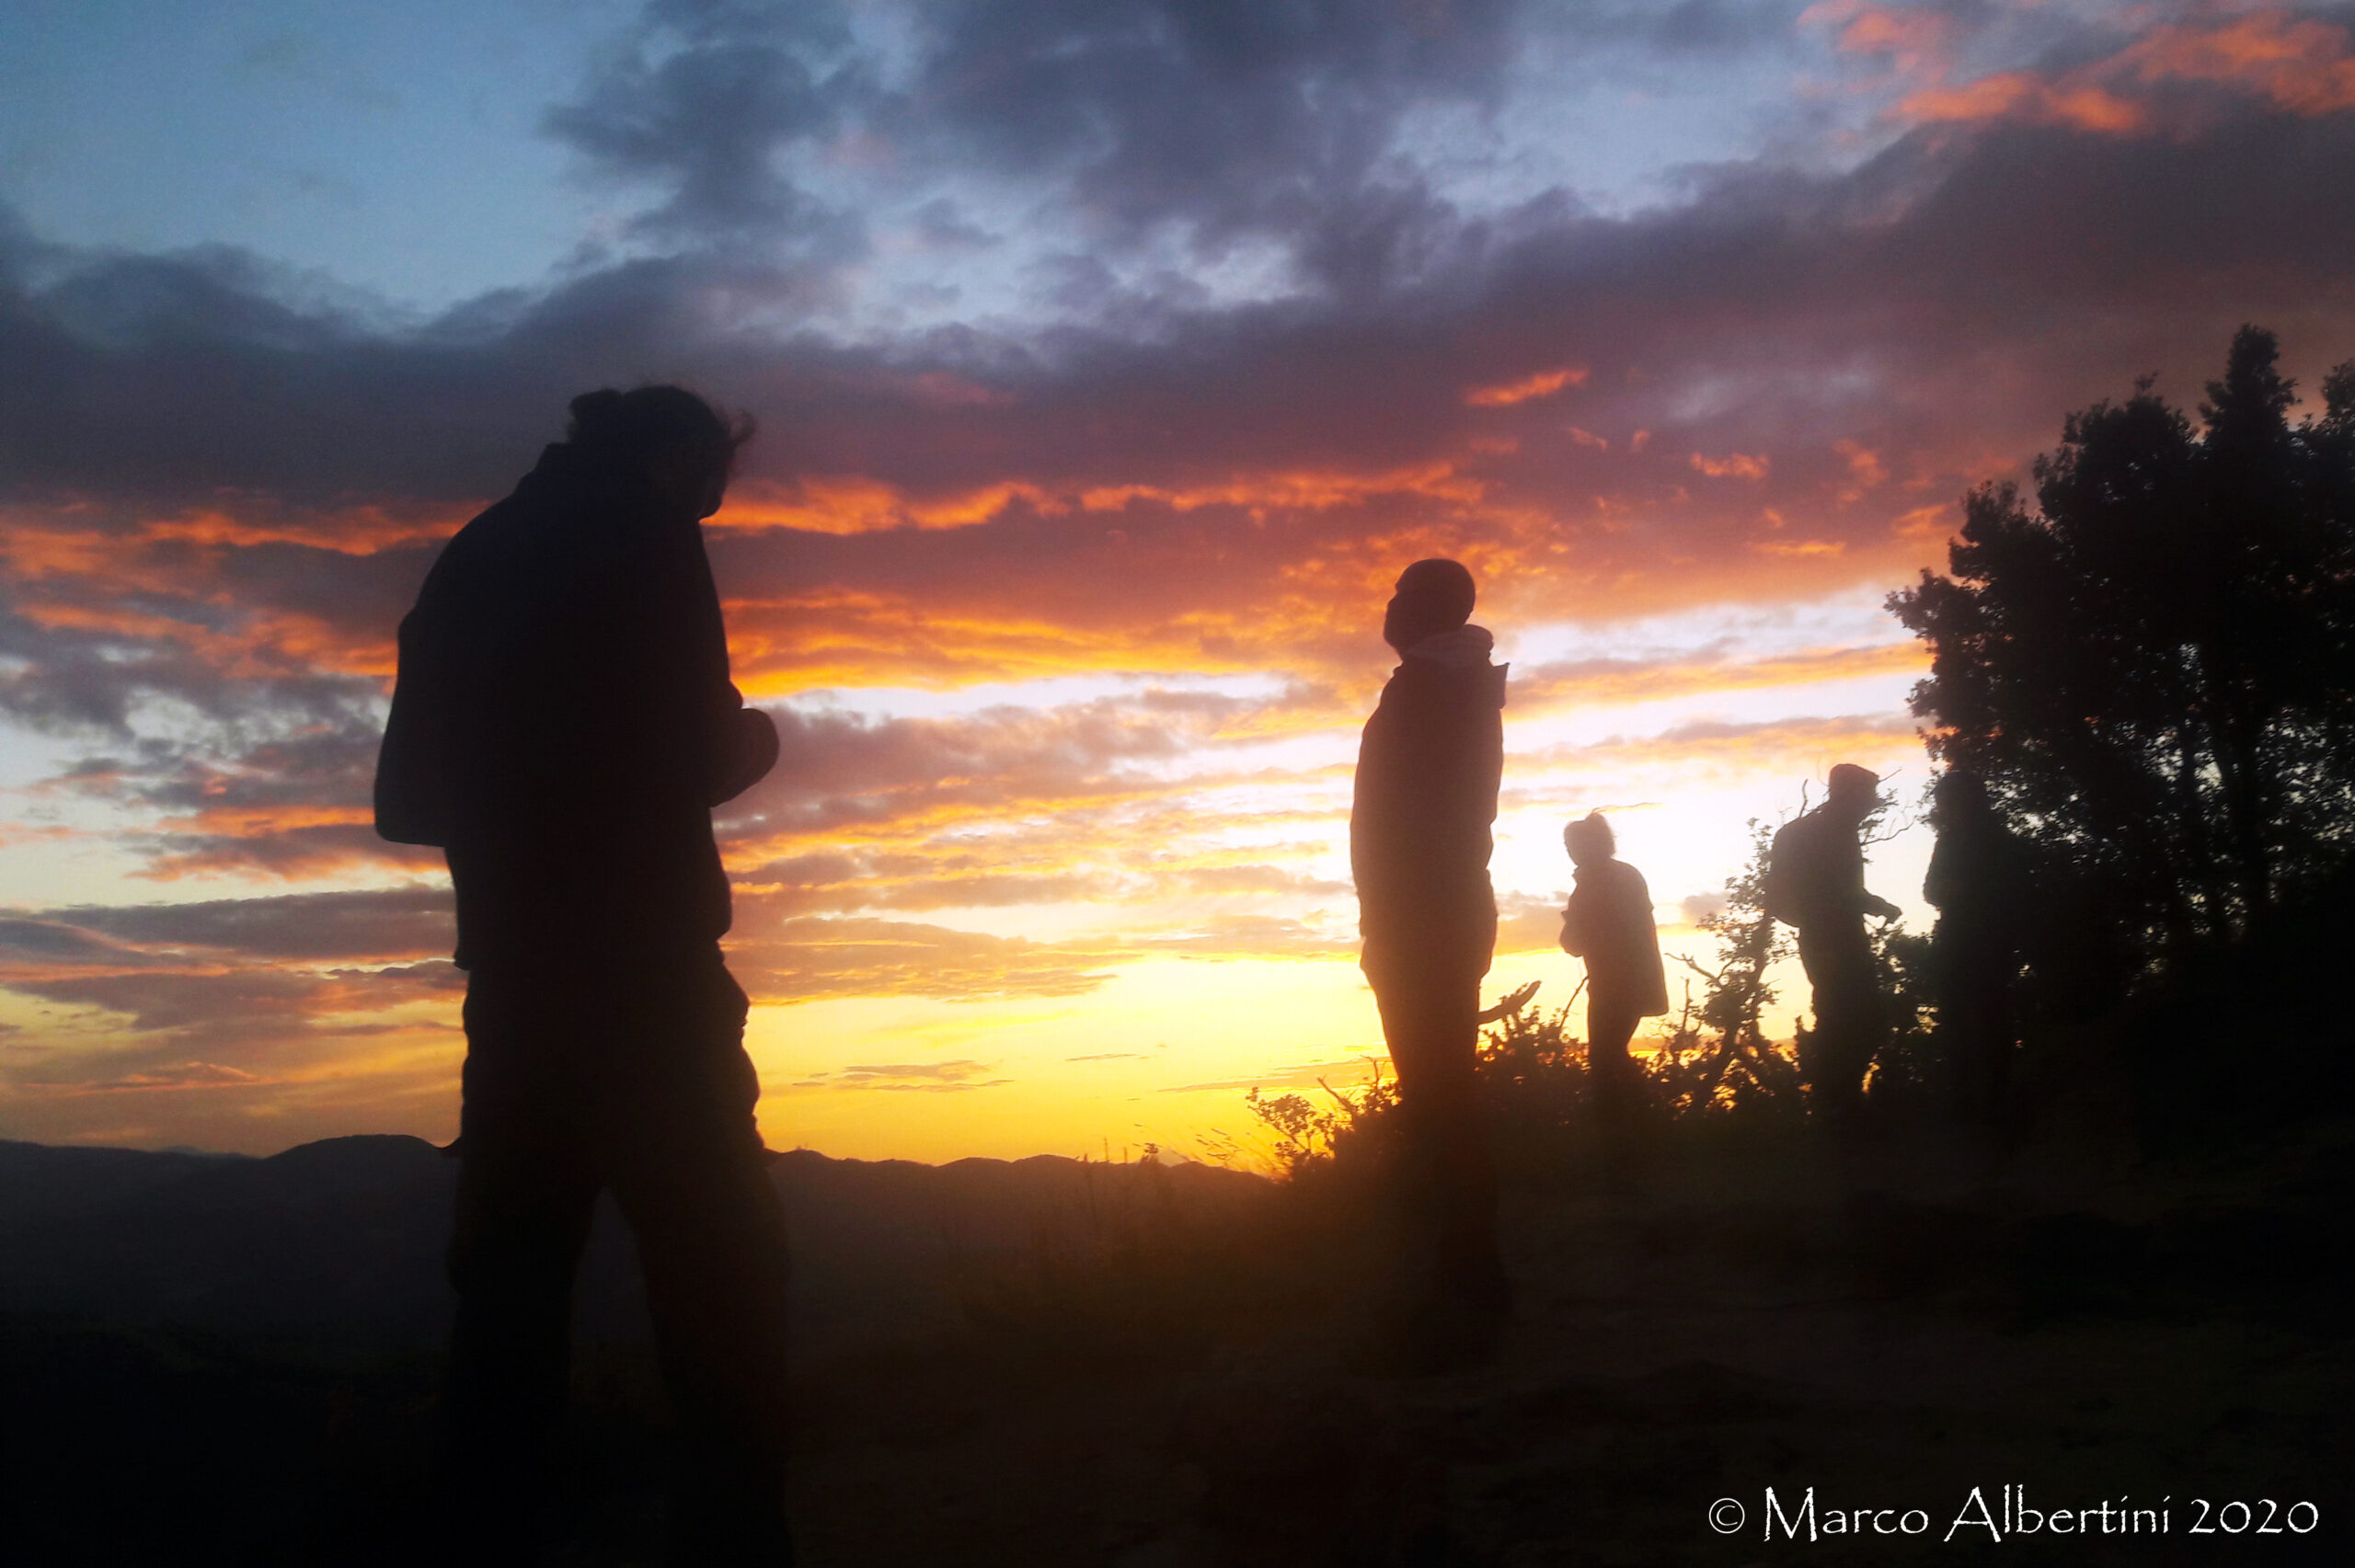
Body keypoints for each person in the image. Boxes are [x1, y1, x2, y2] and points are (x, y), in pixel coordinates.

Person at [376, 385, 794, 1563]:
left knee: (506, 1310)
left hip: (513, 988)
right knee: (723, 1273)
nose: (709, 517)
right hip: (650, 978)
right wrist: (759, 742)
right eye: (711, 493)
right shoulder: (644, 531)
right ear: (675, 461)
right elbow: (707, 748)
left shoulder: (468, 558)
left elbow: (401, 802)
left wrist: (523, 799)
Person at [1350, 557, 1510, 1347]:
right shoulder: (1452, 684)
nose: (1386, 607)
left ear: (1425, 610)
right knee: (1444, 1091)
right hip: (1434, 911)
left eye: (1400, 596)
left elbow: (1409, 821)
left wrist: (1388, 916)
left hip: (1425, 914)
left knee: (1440, 1095)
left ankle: (1468, 1282)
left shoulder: (1430, 689)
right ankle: (1465, 1270)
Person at [1763, 763, 1901, 1124]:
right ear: (1849, 795)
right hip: (1829, 939)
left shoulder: (1827, 831)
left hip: (1835, 935)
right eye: (1868, 796)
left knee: (1850, 1019)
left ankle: (1838, 1102)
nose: (1872, 804)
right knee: (1850, 1019)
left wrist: (1873, 905)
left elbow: (1841, 892)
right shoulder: (1821, 833)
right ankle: (1837, 1106)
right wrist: (1823, 919)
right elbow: (1829, 894)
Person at [1923, 770, 2030, 1131]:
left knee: (1989, 1021)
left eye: (1947, 803)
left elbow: (2011, 892)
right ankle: (1966, 1104)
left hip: (1989, 941)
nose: (1944, 811)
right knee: (1957, 1021)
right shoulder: (1949, 841)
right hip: (1956, 941)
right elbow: (1931, 890)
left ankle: (1995, 1106)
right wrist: (1952, 891)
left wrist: (1964, 891)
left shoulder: (2000, 841)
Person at [1557, 812, 1668, 1112]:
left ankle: (1633, 1124)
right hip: (1632, 981)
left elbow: (1575, 942)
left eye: (1572, 844)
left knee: (1604, 1058)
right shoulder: (1624, 875)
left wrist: (1575, 927)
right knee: (1609, 1054)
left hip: (1614, 984)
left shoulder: (1594, 882)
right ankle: (1645, 1119)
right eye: (1567, 845)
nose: (1569, 851)